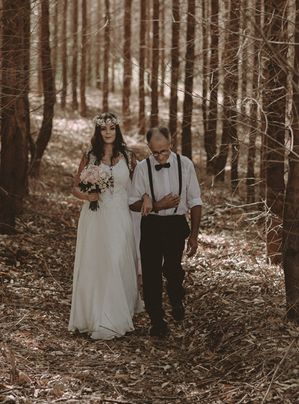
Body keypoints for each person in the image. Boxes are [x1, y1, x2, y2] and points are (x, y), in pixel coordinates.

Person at [68, 113, 144, 339]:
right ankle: (96, 317)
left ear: (117, 130)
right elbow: (75, 188)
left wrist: (147, 197)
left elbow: (140, 182)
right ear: (98, 132)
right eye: (104, 129)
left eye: (112, 128)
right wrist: (87, 196)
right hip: (96, 217)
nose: (108, 132)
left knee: (116, 260)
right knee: (98, 263)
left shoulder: (128, 156)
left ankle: (118, 313)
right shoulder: (90, 157)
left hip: (120, 216)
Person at [128, 126, 204, 338]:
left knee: (173, 271)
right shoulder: (143, 168)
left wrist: (194, 236)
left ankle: (176, 298)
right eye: (155, 152)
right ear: (149, 148)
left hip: (176, 224)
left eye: (163, 151)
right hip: (151, 225)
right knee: (151, 275)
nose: (160, 157)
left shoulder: (185, 164)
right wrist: (156, 205)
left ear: (171, 144)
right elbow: (132, 203)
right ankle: (157, 320)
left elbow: (196, 201)